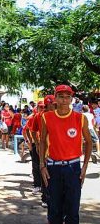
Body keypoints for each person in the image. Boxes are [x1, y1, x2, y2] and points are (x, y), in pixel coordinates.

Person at [40, 85, 92, 224]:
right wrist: (42, 166)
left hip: (73, 168)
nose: (64, 100)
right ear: (55, 98)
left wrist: (85, 167)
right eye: (61, 97)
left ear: (71, 99)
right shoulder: (46, 117)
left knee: (73, 211)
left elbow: (89, 142)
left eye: (67, 97)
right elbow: (42, 142)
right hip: (53, 168)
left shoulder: (80, 118)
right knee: (54, 211)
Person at [31, 96, 55, 208]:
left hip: (56, 148)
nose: (54, 106)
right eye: (52, 104)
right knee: (44, 172)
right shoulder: (39, 116)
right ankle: (45, 198)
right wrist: (36, 143)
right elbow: (32, 130)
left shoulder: (58, 114)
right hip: (44, 148)